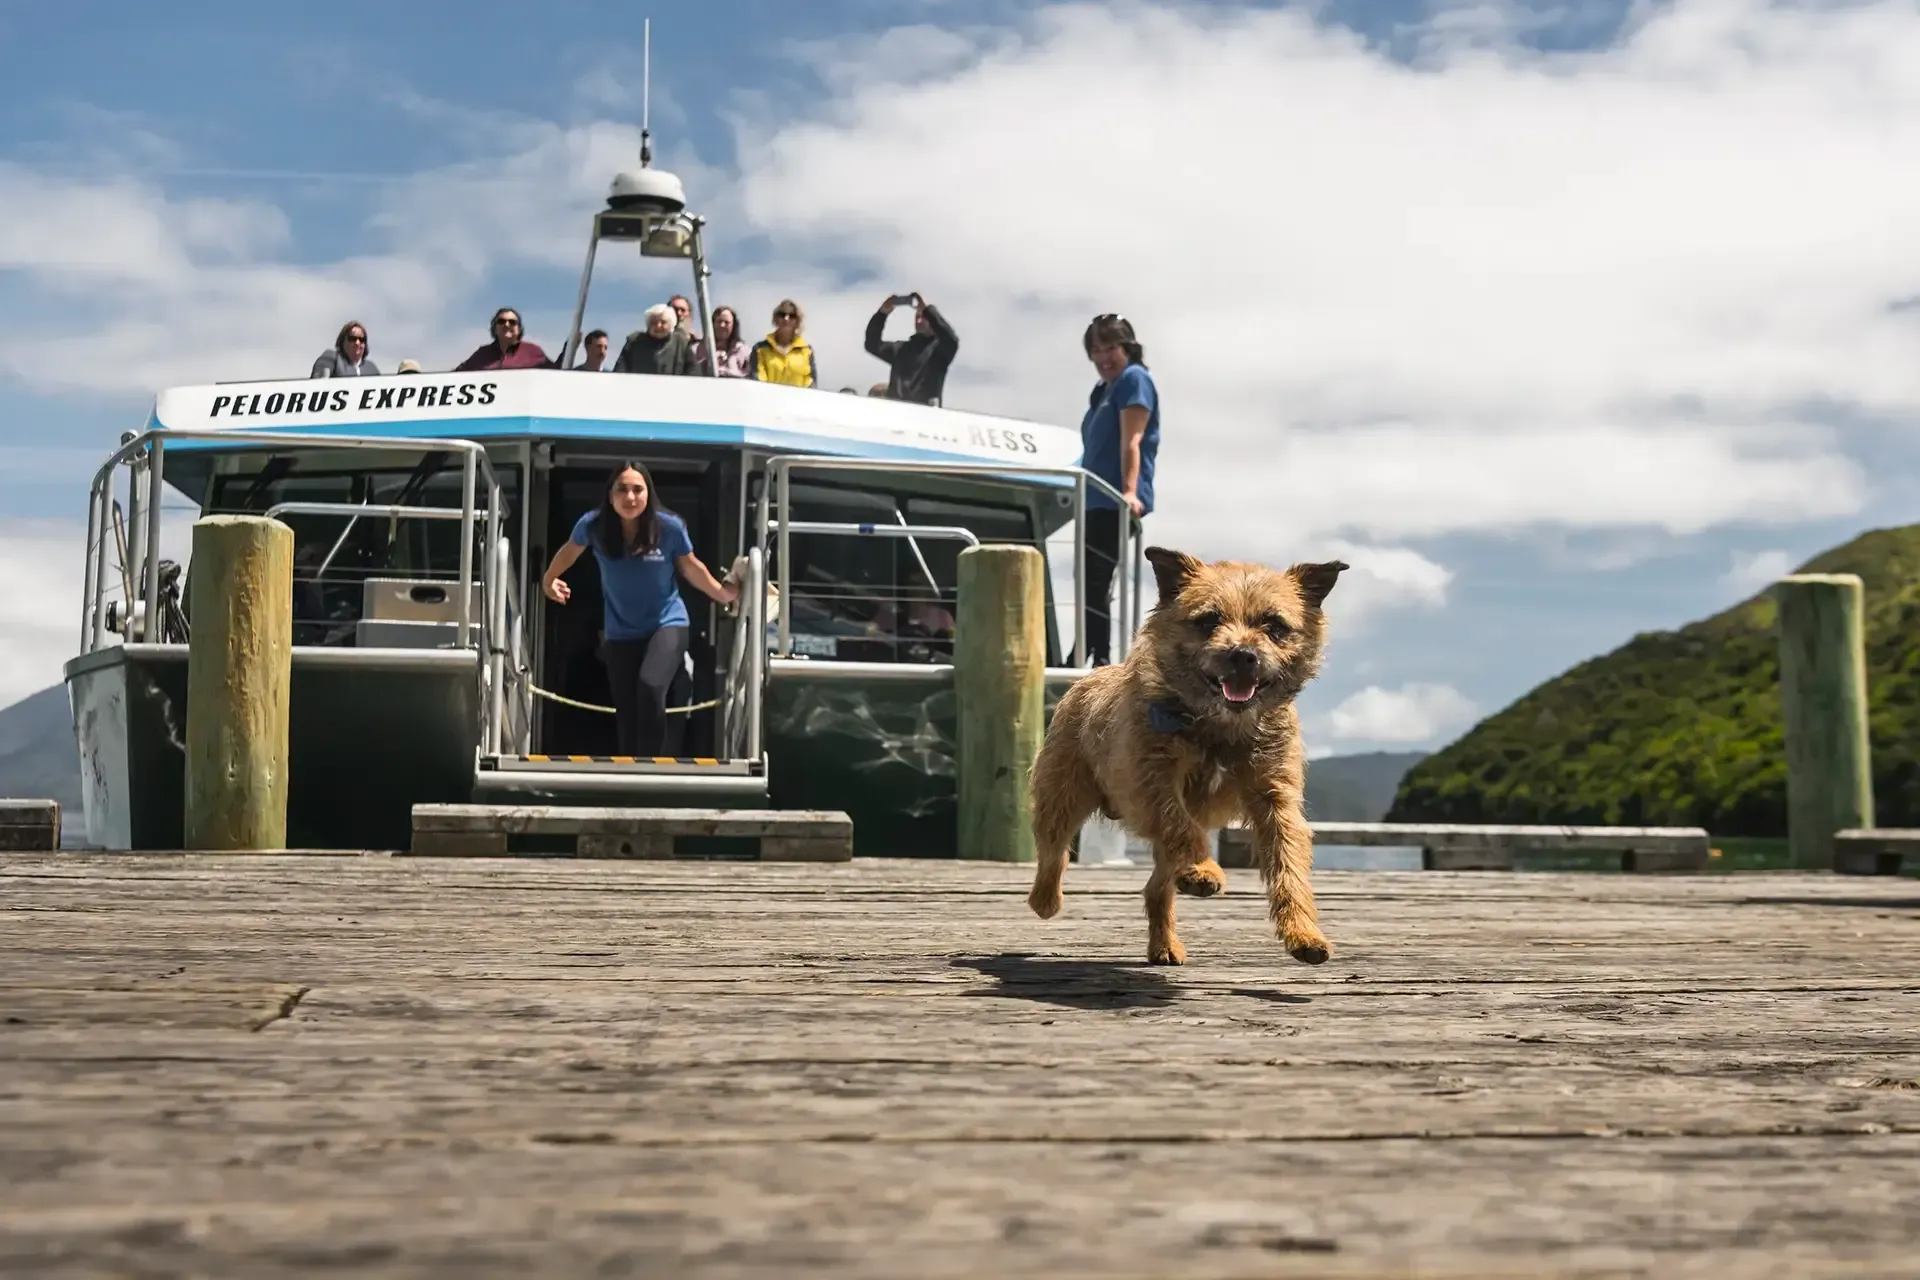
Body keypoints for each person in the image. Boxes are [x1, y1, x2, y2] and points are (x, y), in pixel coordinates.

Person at [541, 462, 737, 756]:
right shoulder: (592, 525)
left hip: (667, 623)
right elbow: (570, 550)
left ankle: (650, 766)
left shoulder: (669, 527)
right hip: (620, 631)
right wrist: (549, 580)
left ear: (649, 494)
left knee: (650, 686)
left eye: (637, 489)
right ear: (610, 495)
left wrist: (723, 594)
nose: (630, 497)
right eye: (622, 489)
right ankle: (628, 772)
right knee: (627, 708)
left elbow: (690, 567)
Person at [1079, 313, 1160, 667]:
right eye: (1096, 350)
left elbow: (1133, 439)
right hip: (1091, 498)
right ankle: (1084, 650)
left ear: (1126, 347)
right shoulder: (1101, 391)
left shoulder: (1134, 379)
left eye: (1110, 347)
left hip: (1114, 501)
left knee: (1097, 579)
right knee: (1086, 580)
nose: (1103, 357)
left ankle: (1098, 658)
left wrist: (1129, 492)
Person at [863, 292, 958, 405]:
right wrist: (882, 314)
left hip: (926, 416)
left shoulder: (940, 351)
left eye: (923, 318)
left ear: (932, 321)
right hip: (896, 413)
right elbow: (872, 345)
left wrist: (927, 310)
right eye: (917, 317)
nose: (918, 322)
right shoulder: (901, 349)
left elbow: (951, 340)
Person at [454, 307, 554, 371]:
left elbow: (556, 374)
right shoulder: (481, 354)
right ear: (495, 328)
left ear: (519, 329)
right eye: (501, 321)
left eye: (512, 322)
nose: (507, 325)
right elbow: (456, 376)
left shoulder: (533, 351)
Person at [749, 300, 817, 387]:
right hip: (768, 399)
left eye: (792, 316)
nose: (786, 318)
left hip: (799, 399)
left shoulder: (807, 350)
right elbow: (758, 380)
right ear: (775, 319)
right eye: (782, 315)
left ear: (797, 321)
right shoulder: (760, 349)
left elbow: (810, 383)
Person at [613, 305, 696, 375]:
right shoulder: (634, 342)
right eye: (654, 322)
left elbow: (693, 371)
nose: (658, 326)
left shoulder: (682, 344)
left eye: (663, 322)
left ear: (671, 324)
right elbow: (620, 370)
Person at [691, 305, 751, 377]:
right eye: (719, 321)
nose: (722, 325)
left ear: (733, 326)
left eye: (727, 322)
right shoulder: (696, 349)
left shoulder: (743, 351)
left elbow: (749, 377)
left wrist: (726, 372)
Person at [311, 321, 378, 378]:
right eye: (352, 339)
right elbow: (318, 384)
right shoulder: (331, 357)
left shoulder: (372, 368)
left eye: (362, 340)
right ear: (343, 341)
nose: (357, 343)